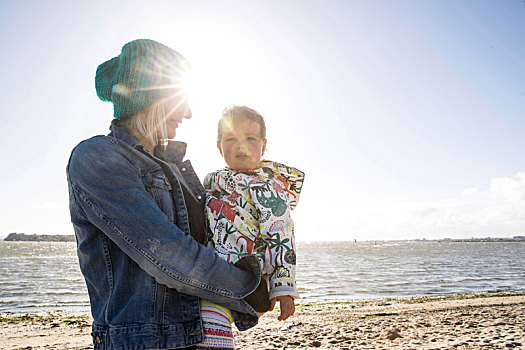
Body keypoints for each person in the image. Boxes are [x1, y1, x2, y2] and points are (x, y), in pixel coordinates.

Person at [66, 39, 267, 350]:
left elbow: (209, 242)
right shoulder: (97, 158)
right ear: (152, 97)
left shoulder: (174, 167)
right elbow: (166, 253)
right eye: (180, 100)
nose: (187, 113)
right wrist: (245, 285)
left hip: (198, 337)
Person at [197, 105, 305, 349]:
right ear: (219, 146)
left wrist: (283, 288)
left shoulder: (269, 187)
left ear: (263, 146)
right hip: (214, 267)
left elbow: (282, 236)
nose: (241, 145)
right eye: (231, 139)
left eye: (250, 139)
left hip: (248, 273)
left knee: (212, 325)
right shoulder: (214, 182)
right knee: (206, 326)